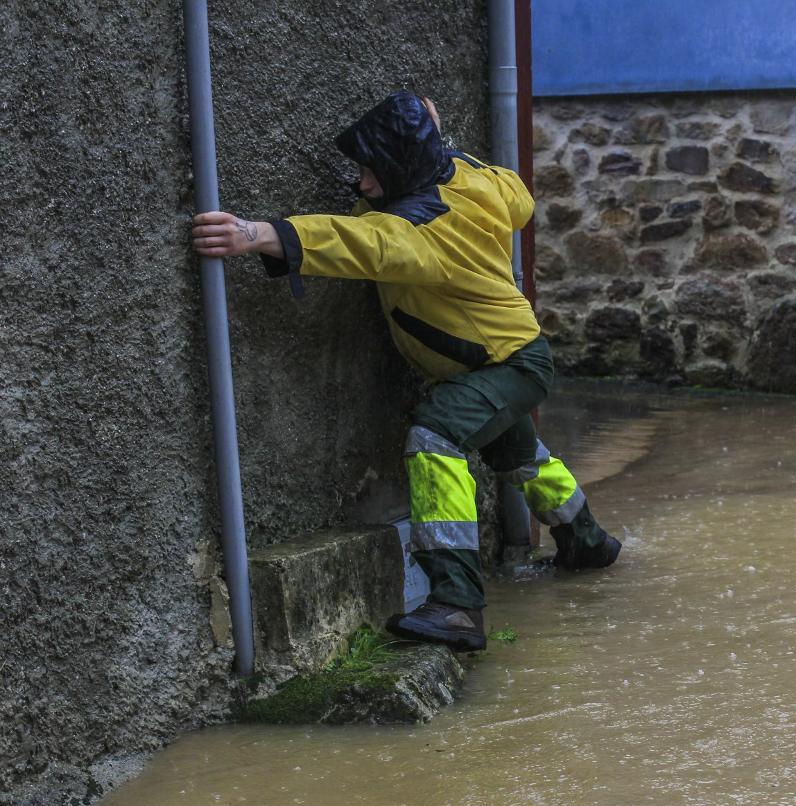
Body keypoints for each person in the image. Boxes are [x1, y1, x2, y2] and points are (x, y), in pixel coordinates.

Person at [191, 91, 620, 652]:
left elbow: (359, 241)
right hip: (509, 357)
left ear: (400, 167)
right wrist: (433, 136)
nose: (363, 186)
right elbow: (516, 194)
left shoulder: (421, 231)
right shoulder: (470, 178)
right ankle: (588, 543)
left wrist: (256, 235)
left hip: (503, 364)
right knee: (520, 457)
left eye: (371, 172)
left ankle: (458, 606)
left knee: (434, 434)